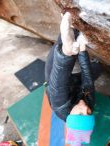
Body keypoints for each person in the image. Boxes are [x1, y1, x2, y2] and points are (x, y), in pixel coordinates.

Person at [44, 12, 102, 146]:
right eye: (89, 114)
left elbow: (60, 80)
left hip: (54, 78)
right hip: (75, 84)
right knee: (97, 68)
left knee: (62, 45)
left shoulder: (60, 104)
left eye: (80, 114)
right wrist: (82, 50)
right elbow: (87, 81)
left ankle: (69, 22)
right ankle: (75, 38)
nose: (85, 109)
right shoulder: (89, 106)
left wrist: (67, 54)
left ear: (70, 114)